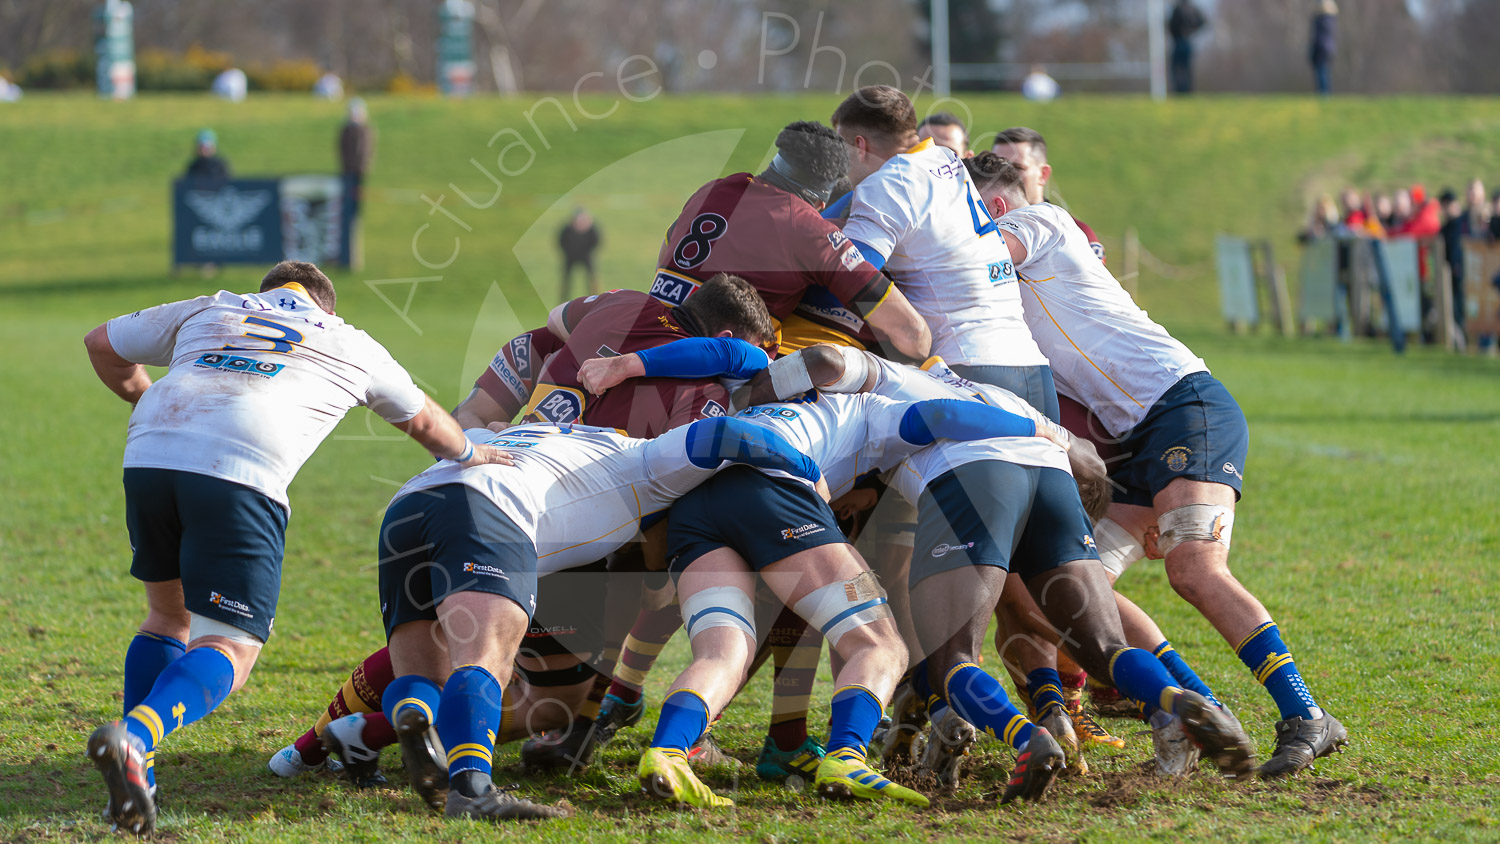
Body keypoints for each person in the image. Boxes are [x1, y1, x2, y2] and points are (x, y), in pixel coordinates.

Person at [82, 261, 510, 835]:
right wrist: (470, 455)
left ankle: (140, 776)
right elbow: (427, 420)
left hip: (152, 453)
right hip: (239, 468)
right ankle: (135, 740)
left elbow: (101, 343)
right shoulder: (347, 339)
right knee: (231, 645)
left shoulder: (212, 306)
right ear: (327, 306)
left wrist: (147, 402)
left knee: (166, 616)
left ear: (268, 294)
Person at [968, 153, 1348, 779]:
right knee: (1069, 589)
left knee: (1194, 569)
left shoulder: (1041, 224)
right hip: (1139, 438)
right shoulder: (1014, 267)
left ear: (997, 209)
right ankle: (1195, 709)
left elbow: (981, 258)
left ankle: (1305, 714)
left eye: (970, 214)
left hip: (1184, 405)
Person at [374, 415, 826, 820]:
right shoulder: (648, 458)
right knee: (484, 661)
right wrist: (811, 475)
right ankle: (472, 791)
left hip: (407, 506)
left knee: (424, 676)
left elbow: (462, 434)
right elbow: (728, 432)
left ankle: (413, 715)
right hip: (490, 508)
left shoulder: (546, 436)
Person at [833, 87, 1054, 419]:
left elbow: (848, 273)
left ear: (860, 146)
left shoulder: (886, 184)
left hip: (970, 367)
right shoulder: (949, 159)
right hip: (1033, 369)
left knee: (880, 441)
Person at [648, 121, 931, 361]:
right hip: (705, 369)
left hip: (645, 333)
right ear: (821, 202)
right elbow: (911, 334)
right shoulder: (810, 230)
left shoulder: (714, 189)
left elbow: (666, 254)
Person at [992, 127, 1107, 263]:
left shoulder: (1079, 233)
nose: (1003, 176)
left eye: (1017, 168)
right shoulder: (979, 226)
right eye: (996, 167)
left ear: (1043, 174)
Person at [1439, 188, 1469, 342]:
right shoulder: (1445, 227)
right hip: (1450, 273)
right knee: (1454, 309)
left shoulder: (1463, 222)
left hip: (1465, 272)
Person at [558, 208, 602, 300]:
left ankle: (595, 299)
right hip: (570, 256)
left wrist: (588, 252)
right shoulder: (567, 229)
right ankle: (563, 300)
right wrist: (568, 252)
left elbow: (596, 242)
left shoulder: (592, 230)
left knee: (592, 279)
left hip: (587, 256)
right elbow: (561, 241)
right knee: (566, 280)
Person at [1168, 0, 1207, 94]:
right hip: (1183, 42)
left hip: (1181, 42)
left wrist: (1189, 31)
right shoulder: (1191, 9)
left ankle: (1182, 91)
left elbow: (1171, 25)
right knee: (1184, 68)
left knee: (1178, 68)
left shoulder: (1179, 9)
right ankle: (1185, 91)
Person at [1310, 0, 1337, 96]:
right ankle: (1324, 93)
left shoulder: (1322, 20)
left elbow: (1319, 37)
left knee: (1322, 72)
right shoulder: (1331, 20)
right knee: (1324, 72)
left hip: (1322, 48)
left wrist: (1314, 50)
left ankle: (1324, 94)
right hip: (1328, 49)